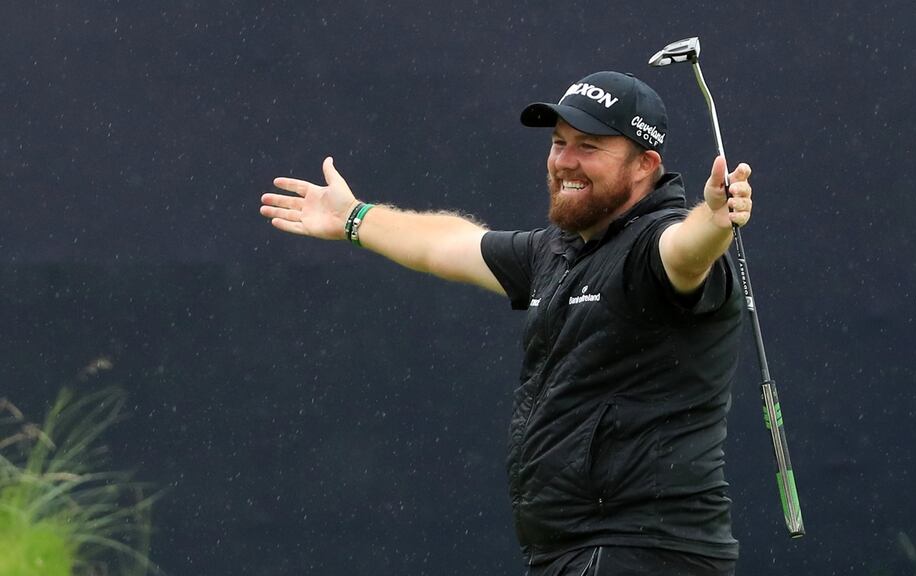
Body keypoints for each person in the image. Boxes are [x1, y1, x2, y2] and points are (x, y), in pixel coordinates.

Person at [260, 70, 753, 576]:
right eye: (558, 143)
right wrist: (354, 217)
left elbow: (685, 252)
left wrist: (712, 221)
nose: (564, 161)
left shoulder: (653, 246)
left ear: (645, 164)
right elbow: (446, 244)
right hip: (576, 552)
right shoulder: (558, 253)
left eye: (588, 146)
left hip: (644, 553)